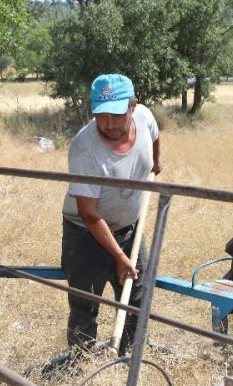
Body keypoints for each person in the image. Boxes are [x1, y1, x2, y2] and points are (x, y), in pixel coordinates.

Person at [61, 73, 161, 355]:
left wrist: (157, 158)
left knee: (137, 298)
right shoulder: (84, 149)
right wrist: (119, 258)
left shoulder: (144, 117)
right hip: (85, 233)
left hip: (130, 227)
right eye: (101, 115)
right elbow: (89, 214)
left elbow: (154, 135)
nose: (109, 124)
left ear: (133, 106)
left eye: (117, 115)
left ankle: (130, 356)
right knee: (85, 304)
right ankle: (81, 363)